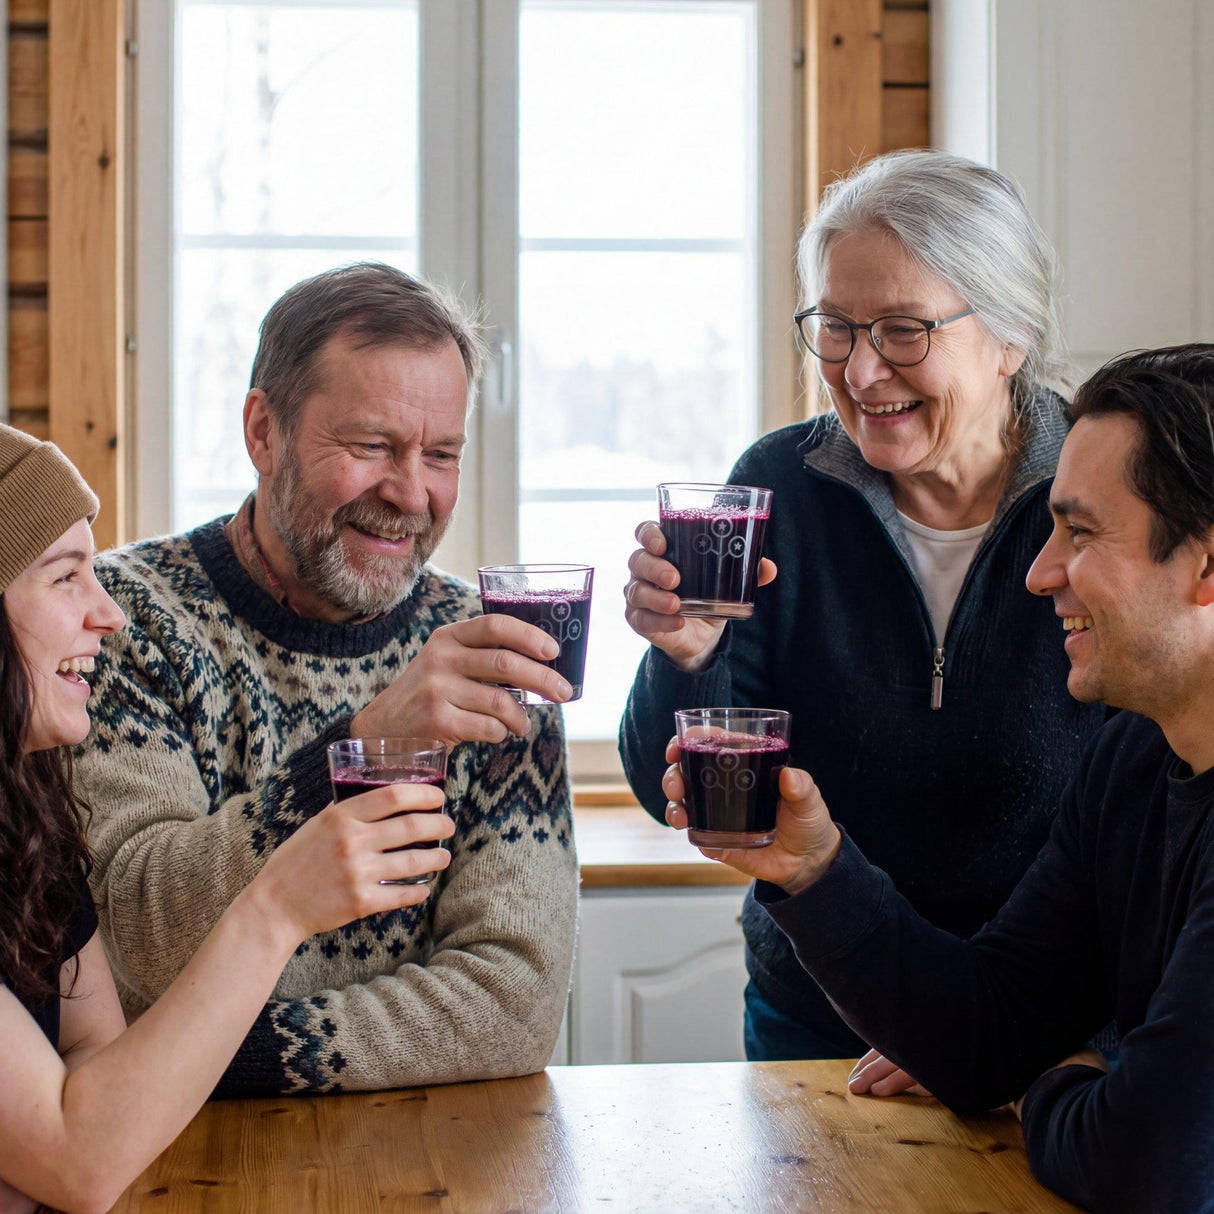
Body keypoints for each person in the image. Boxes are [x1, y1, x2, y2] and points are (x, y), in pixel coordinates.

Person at [659, 343, 1214, 1214]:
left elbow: (1150, 1163)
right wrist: (813, 867)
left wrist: (1045, 1085)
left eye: (1083, 533)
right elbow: (986, 1029)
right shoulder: (1135, 765)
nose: (1041, 572)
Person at [620, 149, 1107, 1066]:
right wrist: (685, 657)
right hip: (819, 1013)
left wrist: (1079, 1045)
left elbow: (1159, 816)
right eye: (836, 328)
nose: (861, 370)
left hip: (1051, 1026)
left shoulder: (1100, 491)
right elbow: (670, 793)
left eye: (903, 329)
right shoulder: (774, 488)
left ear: (1009, 335)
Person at [74, 263, 579, 1097]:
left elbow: (516, 1005)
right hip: (162, 1158)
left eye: (441, 454)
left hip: (435, 1160)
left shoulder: (498, 656)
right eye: (372, 445)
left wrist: (200, 1055)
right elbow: (137, 937)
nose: (410, 493)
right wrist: (369, 745)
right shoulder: (119, 619)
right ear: (262, 431)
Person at [0, 424, 455, 1213]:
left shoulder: (28, 801)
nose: (106, 612)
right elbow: (82, 1161)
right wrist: (277, 907)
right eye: (65, 577)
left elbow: (97, 1058)